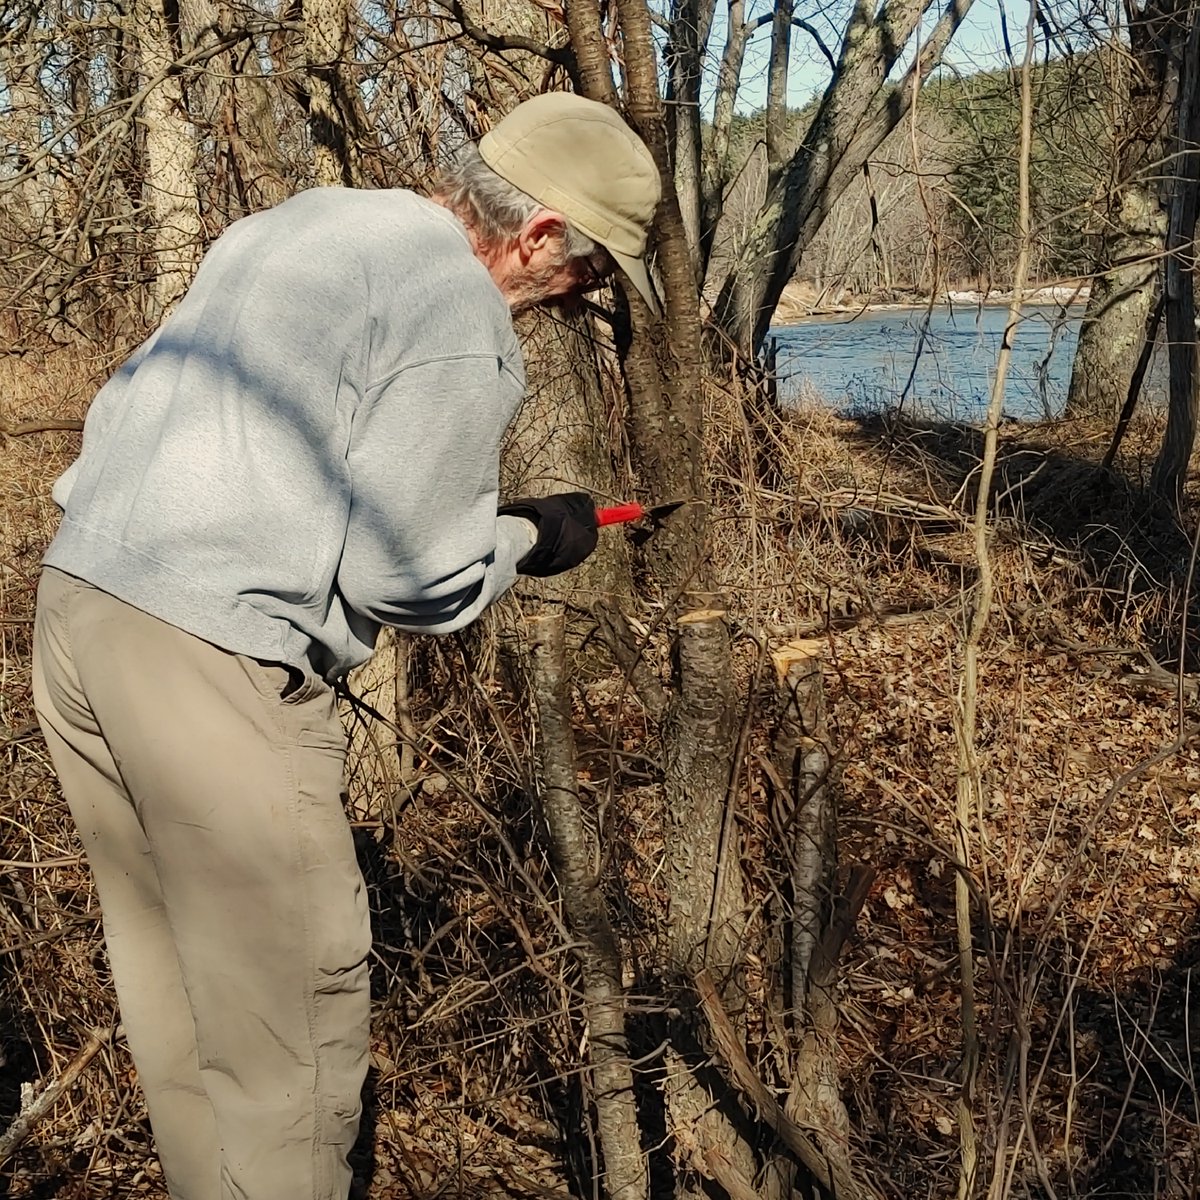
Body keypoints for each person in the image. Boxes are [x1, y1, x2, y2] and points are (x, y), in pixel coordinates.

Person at [31, 93, 661, 1200]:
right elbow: (409, 580)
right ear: (540, 234)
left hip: (80, 605)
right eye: (591, 275)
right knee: (290, 1040)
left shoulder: (308, 222)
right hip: (210, 660)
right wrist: (531, 534)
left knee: (181, 1003)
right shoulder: (459, 315)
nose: (577, 301)